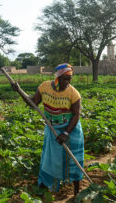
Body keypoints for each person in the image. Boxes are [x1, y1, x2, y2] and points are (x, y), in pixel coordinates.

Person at [11, 63, 84, 196]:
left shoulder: (73, 93)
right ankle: (44, 188)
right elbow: (33, 102)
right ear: (58, 77)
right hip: (52, 129)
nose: (67, 82)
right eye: (65, 78)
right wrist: (19, 91)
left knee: (73, 160)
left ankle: (77, 193)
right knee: (50, 159)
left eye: (70, 78)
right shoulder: (44, 86)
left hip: (71, 131)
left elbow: (76, 115)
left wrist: (66, 133)